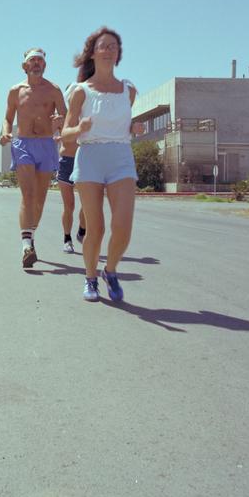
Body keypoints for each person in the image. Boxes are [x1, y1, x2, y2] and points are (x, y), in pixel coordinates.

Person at [60, 27, 143, 302]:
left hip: (120, 156)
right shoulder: (81, 92)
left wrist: (135, 127)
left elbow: (123, 125)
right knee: (96, 228)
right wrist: (80, 127)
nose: (108, 50)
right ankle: (91, 278)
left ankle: (110, 270)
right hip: (91, 156)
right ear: (93, 53)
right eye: (103, 46)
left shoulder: (128, 90)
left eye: (113, 46)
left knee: (123, 226)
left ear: (118, 54)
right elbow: (65, 133)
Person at [0, 47, 67, 269]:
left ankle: (30, 236)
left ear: (45, 65)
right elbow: (8, 118)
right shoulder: (15, 91)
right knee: (27, 194)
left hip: (47, 145)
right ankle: (26, 245)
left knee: (40, 199)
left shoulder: (54, 90)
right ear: (25, 66)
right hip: (23, 144)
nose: (37, 63)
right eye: (32, 60)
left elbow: (66, 117)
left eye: (40, 60)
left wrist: (60, 121)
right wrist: (5, 132)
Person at [58, 74, 87, 254]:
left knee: (87, 203)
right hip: (66, 162)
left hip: (84, 162)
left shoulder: (87, 115)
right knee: (69, 205)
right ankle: (67, 238)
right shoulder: (61, 117)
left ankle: (82, 230)